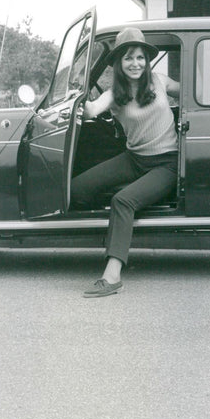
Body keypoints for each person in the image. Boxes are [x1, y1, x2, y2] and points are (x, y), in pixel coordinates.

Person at [72, 28, 179, 298]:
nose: (135, 64)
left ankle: (112, 276)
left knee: (123, 200)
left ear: (146, 60)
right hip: (134, 159)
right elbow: (92, 109)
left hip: (166, 164)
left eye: (140, 57)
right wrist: (76, 89)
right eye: (129, 58)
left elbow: (193, 91)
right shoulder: (115, 93)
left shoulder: (160, 81)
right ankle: (113, 231)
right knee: (76, 188)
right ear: (119, 62)